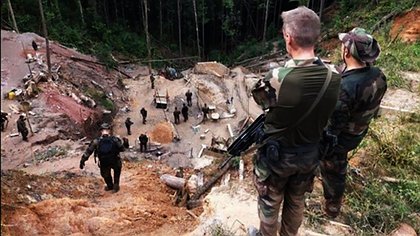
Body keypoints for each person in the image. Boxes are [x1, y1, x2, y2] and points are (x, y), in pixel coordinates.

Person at [250, 7, 341, 236]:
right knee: (296, 200)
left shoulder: (277, 78)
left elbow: (262, 102)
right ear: (316, 37)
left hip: (277, 158)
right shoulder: (335, 76)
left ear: (288, 38)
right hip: (310, 154)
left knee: (270, 203)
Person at [320, 27, 387, 218]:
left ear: (347, 51)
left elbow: (332, 129)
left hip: (342, 138)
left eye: (343, 45)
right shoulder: (378, 75)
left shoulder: (345, 89)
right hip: (359, 130)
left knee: (333, 170)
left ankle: (332, 207)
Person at [79, 123, 125, 193]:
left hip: (104, 162)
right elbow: (122, 149)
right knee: (117, 172)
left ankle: (110, 186)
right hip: (115, 160)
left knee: (106, 175)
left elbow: (88, 151)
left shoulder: (96, 141)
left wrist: (82, 161)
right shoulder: (115, 139)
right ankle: (116, 186)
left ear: (101, 131)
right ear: (109, 131)